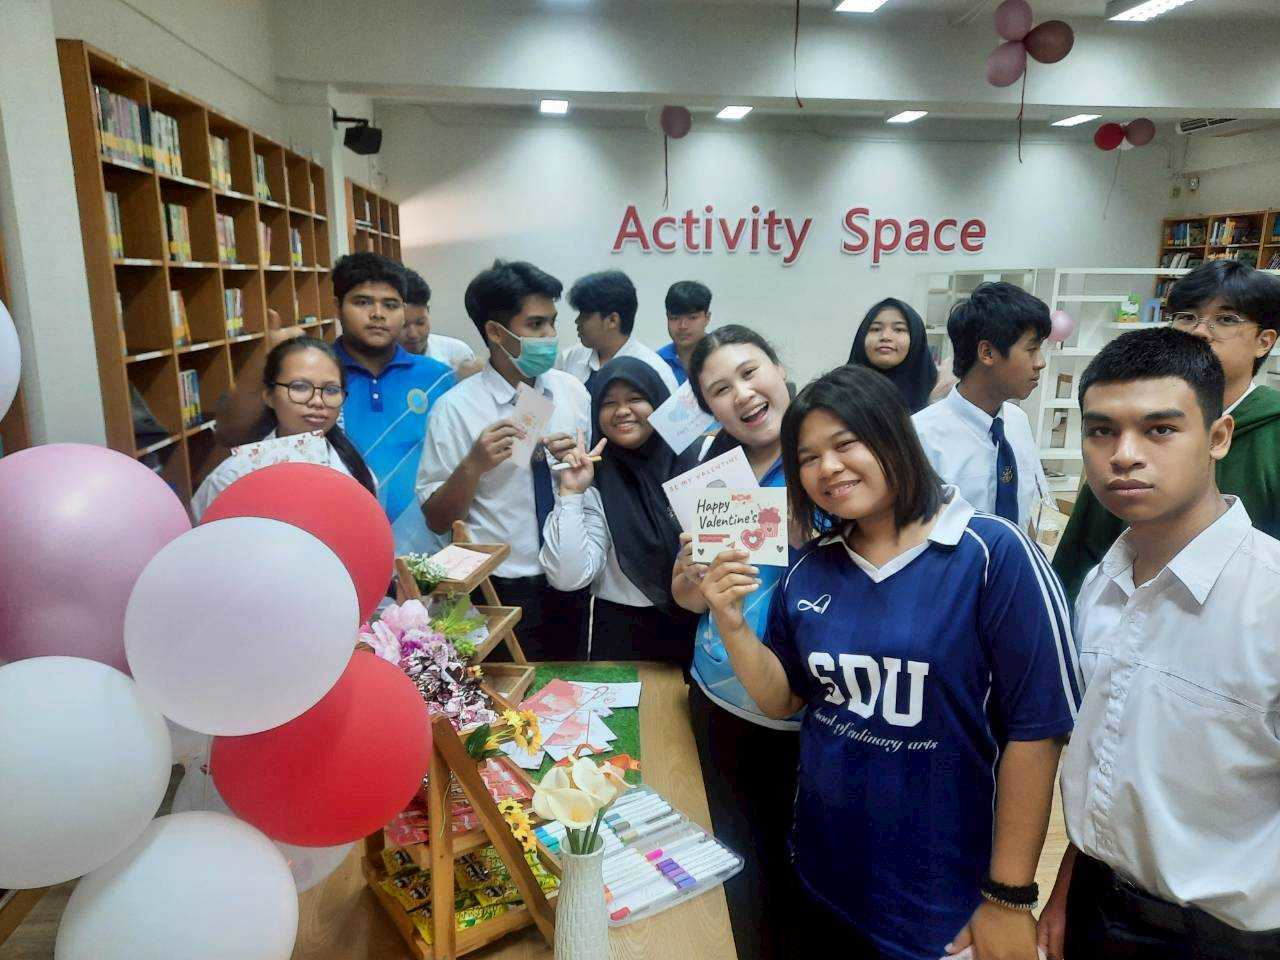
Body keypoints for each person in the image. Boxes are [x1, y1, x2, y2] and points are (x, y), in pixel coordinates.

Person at [700, 363, 1079, 960]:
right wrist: (732, 624)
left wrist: (1008, 896)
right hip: (824, 872)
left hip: (943, 898)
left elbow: (1039, 732)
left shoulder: (992, 554)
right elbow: (783, 699)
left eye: (846, 443)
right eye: (807, 458)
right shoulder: (811, 568)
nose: (827, 468)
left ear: (894, 436)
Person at [1037, 328, 1280, 960]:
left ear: (1218, 437)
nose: (1124, 455)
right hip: (1098, 903)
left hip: (1228, 938)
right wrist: (1067, 886)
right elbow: (1105, 759)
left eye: (1160, 430)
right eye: (1101, 431)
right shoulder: (1102, 583)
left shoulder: (1269, 601)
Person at [667, 325, 799, 960]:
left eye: (750, 372)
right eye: (720, 389)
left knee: (788, 871)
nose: (742, 394)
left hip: (797, 713)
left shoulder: (823, 460)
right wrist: (695, 573)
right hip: (715, 695)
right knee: (729, 857)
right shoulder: (714, 475)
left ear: (779, 368)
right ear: (708, 407)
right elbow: (685, 596)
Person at [1051, 260, 1280, 603]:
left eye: (1225, 319)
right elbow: (1087, 547)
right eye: (1187, 317)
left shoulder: (1272, 428)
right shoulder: (1126, 433)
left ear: (1264, 341)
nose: (1200, 332)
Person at [214, 252, 454, 554]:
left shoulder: (438, 377)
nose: (377, 314)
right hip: (330, 543)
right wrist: (264, 355)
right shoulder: (312, 376)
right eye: (362, 302)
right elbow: (230, 434)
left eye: (390, 305)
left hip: (429, 547)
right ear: (337, 306)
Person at [416, 259, 591, 661]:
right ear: (495, 332)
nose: (550, 336)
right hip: (496, 586)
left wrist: (577, 465)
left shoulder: (572, 392)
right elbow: (437, 520)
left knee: (569, 687)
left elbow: (588, 482)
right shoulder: (454, 410)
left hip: (567, 576)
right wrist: (473, 466)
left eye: (552, 322)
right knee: (503, 693)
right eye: (535, 325)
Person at [539, 356, 696, 663]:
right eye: (608, 402)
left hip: (696, 623)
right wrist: (570, 494)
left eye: (635, 398)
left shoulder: (694, 465)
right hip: (620, 632)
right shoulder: (594, 480)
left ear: (658, 403)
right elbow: (568, 577)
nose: (622, 411)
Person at [913, 282, 1050, 529]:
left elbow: (1030, 509)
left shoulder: (1017, 421)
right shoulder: (921, 435)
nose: (1040, 362)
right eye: (1031, 349)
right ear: (987, 353)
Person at [192, 337, 375, 520]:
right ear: (269, 396)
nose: (318, 401)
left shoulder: (356, 470)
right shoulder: (231, 478)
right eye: (300, 387)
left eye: (331, 390)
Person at [557, 269, 677, 394]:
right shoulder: (571, 357)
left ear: (612, 320)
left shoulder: (654, 370)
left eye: (585, 316)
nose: (577, 321)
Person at [845, 297, 942, 413]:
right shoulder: (838, 389)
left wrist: (934, 403)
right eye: (875, 329)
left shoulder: (938, 393)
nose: (885, 336)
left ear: (916, 339)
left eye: (899, 329)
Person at [398, 266, 485, 380]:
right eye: (403, 325)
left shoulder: (458, 354)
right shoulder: (378, 366)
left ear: (427, 311)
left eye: (420, 323)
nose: (413, 334)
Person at [658, 280, 713, 385]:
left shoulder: (721, 355)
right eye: (674, 318)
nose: (682, 326)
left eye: (692, 318)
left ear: (707, 318)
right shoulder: (657, 361)